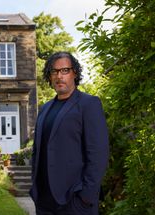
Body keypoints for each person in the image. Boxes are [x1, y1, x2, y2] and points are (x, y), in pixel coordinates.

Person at [29, 51, 109, 215]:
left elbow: (98, 154)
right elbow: (38, 150)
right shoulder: (45, 109)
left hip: (74, 202)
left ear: (75, 73)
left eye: (65, 70)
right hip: (44, 202)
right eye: (54, 71)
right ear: (50, 76)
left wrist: (86, 196)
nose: (59, 76)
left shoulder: (89, 104)